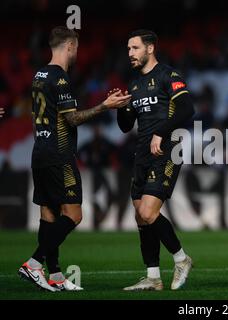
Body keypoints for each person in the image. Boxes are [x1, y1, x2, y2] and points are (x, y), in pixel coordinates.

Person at [18, 26, 131, 292]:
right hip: (59, 154)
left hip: (40, 151)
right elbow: (72, 119)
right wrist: (105, 106)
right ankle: (34, 264)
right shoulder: (60, 78)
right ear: (69, 46)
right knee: (74, 215)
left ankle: (55, 276)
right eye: (76, 47)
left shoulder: (39, 75)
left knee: (48, 215)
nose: (77, 52)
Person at [115, 30, 195, 291]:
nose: (130, 53)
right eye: (128, 49)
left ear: (150, 49)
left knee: (149, 212)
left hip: (168, 150)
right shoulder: (135, 84)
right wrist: (120, 107)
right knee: (141, 216)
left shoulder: (168, 76)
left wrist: (161, 132)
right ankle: (152, 276)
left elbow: (186, 109)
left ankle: (182, 259)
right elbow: (126, 126)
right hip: (142, 154)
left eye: (134, 48)